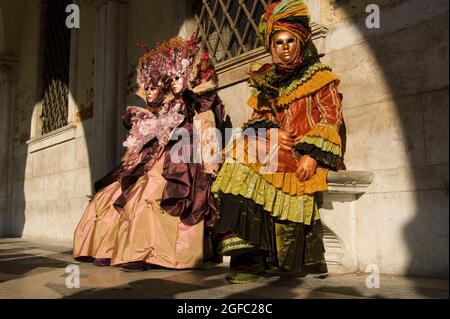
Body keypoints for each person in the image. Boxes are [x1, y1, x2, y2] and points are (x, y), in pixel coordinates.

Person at [211, 0, 344, 283]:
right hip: (273, 150)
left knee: (246, 158)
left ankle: (262, 257)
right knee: (239, 156)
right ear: (271, 47)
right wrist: (269, 134)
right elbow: (253, 123)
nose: (283, 48)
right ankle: (246, 255)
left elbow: (331, 119)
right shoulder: (268, 83)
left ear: (301, 42)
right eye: (277, 43)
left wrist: (313, 155)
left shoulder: (321, 78)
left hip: (303, 150)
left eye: (290, 41)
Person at [111, 35, 225, 271]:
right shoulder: (170, 106)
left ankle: (171, 253)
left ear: (188, 76)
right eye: (170, 78)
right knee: (145, 193)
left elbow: (208, 132)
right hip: (168, 158)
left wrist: (210, 165)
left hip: (187, 159)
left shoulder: (200, 104)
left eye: (177, 77)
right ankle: (143, 251)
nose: (173, 83)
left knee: (169, 195)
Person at [72, 48, 170, 267]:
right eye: (147, 89)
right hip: (138, 167)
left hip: (160, 165)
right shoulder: (141, 115)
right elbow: (135, 147)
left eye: (153, 88)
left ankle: (139, 252)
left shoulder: (172, 112)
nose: (149, 93)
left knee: (137, 196)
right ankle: (105, 249)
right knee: (106, 196)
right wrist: (133, 155)